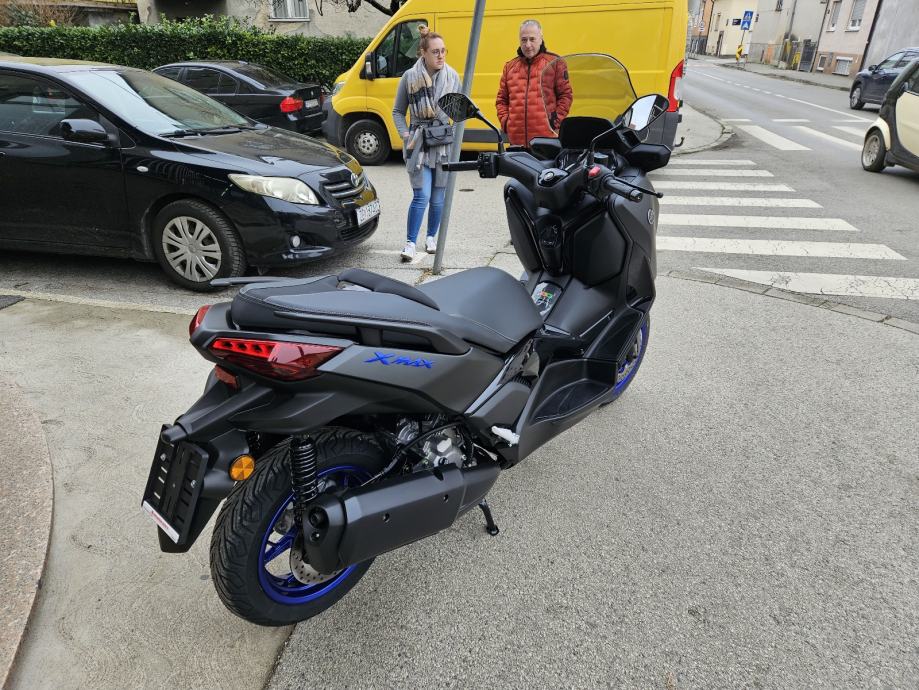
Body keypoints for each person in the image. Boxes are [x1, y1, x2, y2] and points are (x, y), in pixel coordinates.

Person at [391, 26, 461, 262]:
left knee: (438, 198)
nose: (441, 56)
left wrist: (454, 137)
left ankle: (431, 237)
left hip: (443, 144)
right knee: (422, 195)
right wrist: (405, 135)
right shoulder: (409, 77)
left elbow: (459, 113)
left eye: (443, 51)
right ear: (423, 53)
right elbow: (397, 111)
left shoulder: (453, 77)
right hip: (418, 142)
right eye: (435, 51)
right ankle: (410, 243)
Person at [496, 19, 573, 148]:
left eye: (532, 39)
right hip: (517, 141)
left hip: (546, 140)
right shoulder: (509, 67)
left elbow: (566, 96)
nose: (528, 44)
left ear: (541, 39)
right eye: (524, 40)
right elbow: (501, 100)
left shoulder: (555, 63)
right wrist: (506, 122)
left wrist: (555, 121)